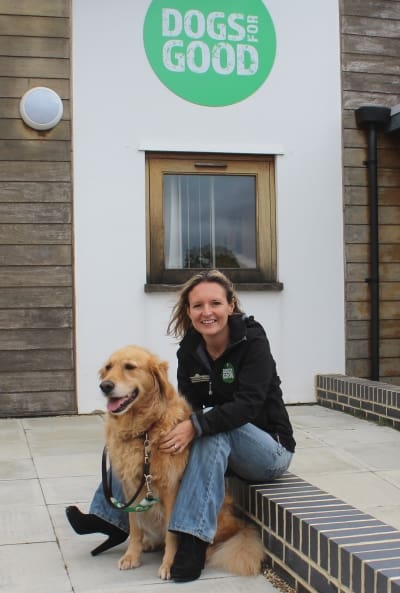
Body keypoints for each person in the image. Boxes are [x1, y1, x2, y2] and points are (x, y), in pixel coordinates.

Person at [66, 269, 295, 582]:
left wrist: (193, 424)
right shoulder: (190, 349)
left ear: (231, 305)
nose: (206, 312)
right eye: (197, 305)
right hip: (224, 450)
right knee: (140, 438)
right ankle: (109, 518)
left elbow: (247, 406)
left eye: (215, 303)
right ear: (189, 312)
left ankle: (192, 541)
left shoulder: (252, 340)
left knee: (208, 426)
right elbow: (187, 404)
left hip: (268, 451)